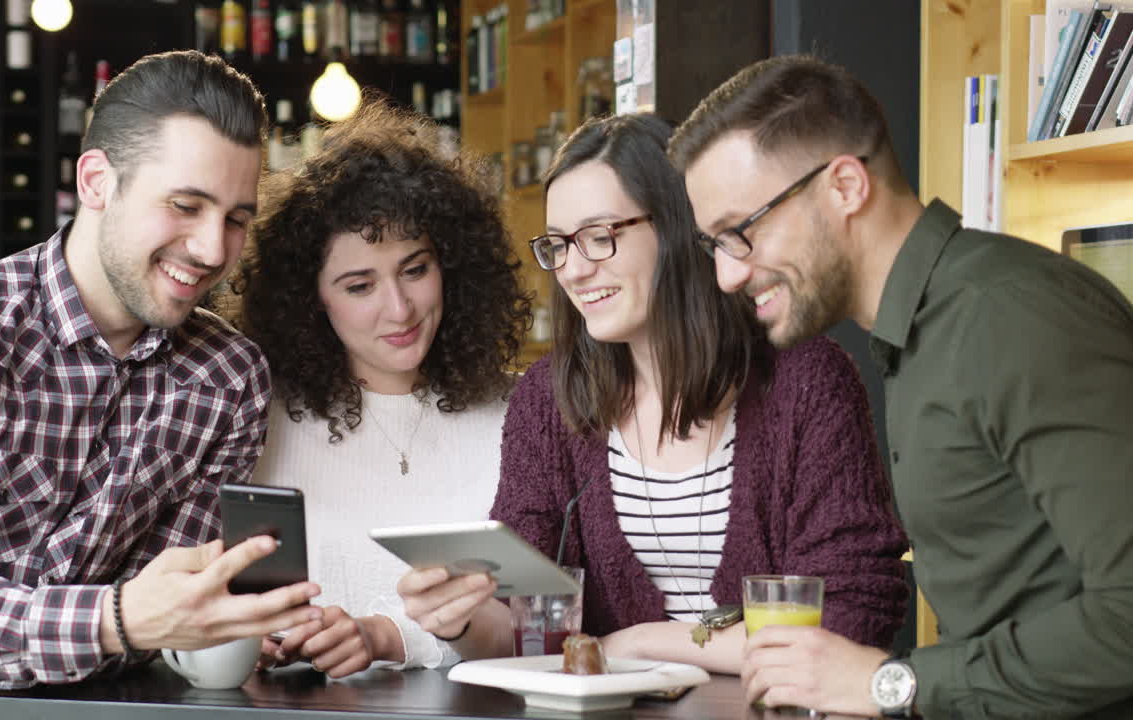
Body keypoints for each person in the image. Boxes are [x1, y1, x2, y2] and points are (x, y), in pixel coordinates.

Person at [0, 50, 323, 720]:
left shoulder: (229, 378)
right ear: (98, 182)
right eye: (185, 205)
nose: (214, 249)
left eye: (237, 219)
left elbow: (176, 615)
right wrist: (112, 618)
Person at [668, 54, 1133, 719]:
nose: (727, 277)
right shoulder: (919, 337)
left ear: (846, 186)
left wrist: (894, 685)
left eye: (739, 232)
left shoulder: (1007, 316)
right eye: (712, 245)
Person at [397, 113, 908, 673]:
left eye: (599, 237)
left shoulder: (805, 381)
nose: (574, 270)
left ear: (677, 226)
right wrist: (462, 619)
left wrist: (643, 643)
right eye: (559, 245)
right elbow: (526, 623)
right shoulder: (548, 400)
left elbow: (851, 615)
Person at [224, 101, 531, 677]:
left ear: (454, 265)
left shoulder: (519, 416)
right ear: (310, 299)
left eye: (415, 270)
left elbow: (540, 619)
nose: (400, 308)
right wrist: (250, 633)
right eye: (360, 285)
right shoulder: (256, 421)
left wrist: (388, 635)